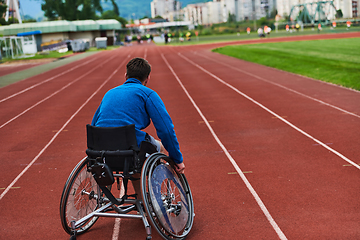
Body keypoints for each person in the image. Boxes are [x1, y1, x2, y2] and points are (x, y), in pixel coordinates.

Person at [91, 57, 185, 174]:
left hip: (102, 147)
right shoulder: (148, 94)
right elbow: (166, 130)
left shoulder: (109, 93)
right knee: (155, 148)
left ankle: (101, 191)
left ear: (126, 76)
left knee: (106, 162)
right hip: (130, 146)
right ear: (148, 78)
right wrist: (177, 159)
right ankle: (151, 191)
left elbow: (94, 124)